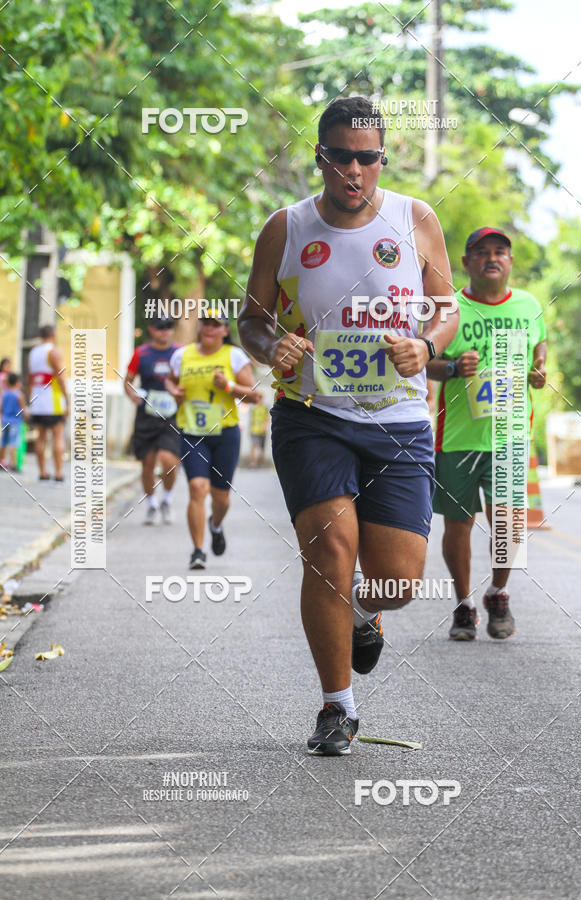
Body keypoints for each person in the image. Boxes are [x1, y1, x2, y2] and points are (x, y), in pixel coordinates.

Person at [238, 96, 458, 755]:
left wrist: (427, 344)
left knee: (398, 578)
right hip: (312, 416)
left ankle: (367, 612)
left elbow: (444, 306)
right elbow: (251, 317)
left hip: (398, 421)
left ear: (381, 159)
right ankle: (338, 707)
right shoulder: (287, 227)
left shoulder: (415, 219)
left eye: (368, 158)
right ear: (321, 157)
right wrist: (268, 343)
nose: (354, 171)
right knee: (328, 552)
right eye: (341, 157)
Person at [427, 227, 547, 641]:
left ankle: (498, 592)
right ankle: (463, 604)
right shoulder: (450, 309)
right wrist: (453, 368)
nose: (491, 258)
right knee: (457, 524)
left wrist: (539, 370)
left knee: (508, 523)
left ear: (510, 262)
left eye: (500, 252)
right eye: (481, 252)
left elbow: (540, 346)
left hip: (510, 435)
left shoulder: (529, 306)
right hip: (458, 436)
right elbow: (427, 361)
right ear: (466, 263)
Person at [166, 311, 262, 569]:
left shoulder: (233, 355)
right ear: (199, 327)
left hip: (225, 434)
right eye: (205, 323)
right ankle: (198, 551)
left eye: (215, 325)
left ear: (224, 331)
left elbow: (254, 396)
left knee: (221, 497)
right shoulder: (182, 355)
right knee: (197, 487)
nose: (209, 328)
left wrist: (229, 386)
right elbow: (170, 381)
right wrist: (174, 391)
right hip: (192, 432)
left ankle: (216, 525)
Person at [125, 315, 180, 525]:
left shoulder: (179, 353)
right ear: (152, 330)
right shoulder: (142, 353)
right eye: (160, 327)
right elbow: (128, 381)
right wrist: (132, 396)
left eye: (168, 327)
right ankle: (152, 504)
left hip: (172, 417)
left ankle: (167, 498)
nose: (164, 331)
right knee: (147, 464)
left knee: (169, 461)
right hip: (147, 416)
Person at [28, 325, 69, 481]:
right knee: (57, 435)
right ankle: (58, 473)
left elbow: (30, 379)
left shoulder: (33, 353)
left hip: (38, 400)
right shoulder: (54, 351)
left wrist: (30, 399)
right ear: (53, 334)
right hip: (53, 400)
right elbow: (61, 378)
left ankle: (42, 472)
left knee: (41, 437)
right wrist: (67, 400)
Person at [0, 372, 26, 472]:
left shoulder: (5, 394)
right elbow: (23, 409)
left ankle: (2, 462)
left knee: (3, 442)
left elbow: (1, 407)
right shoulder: (19, 395)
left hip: (5, 420)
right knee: (13, 443)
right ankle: (13, 464)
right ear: (17, 382)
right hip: (15, 421)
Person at [249, 398, 269, 467]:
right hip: (254, 430)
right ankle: (253, 462)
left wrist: (265, 425)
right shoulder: (254, 408)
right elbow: (251, 418)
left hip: (263, 431)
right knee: (254, 445)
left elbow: (267, 418)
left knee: (262, 447)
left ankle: (261, 463)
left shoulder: (265, 408)